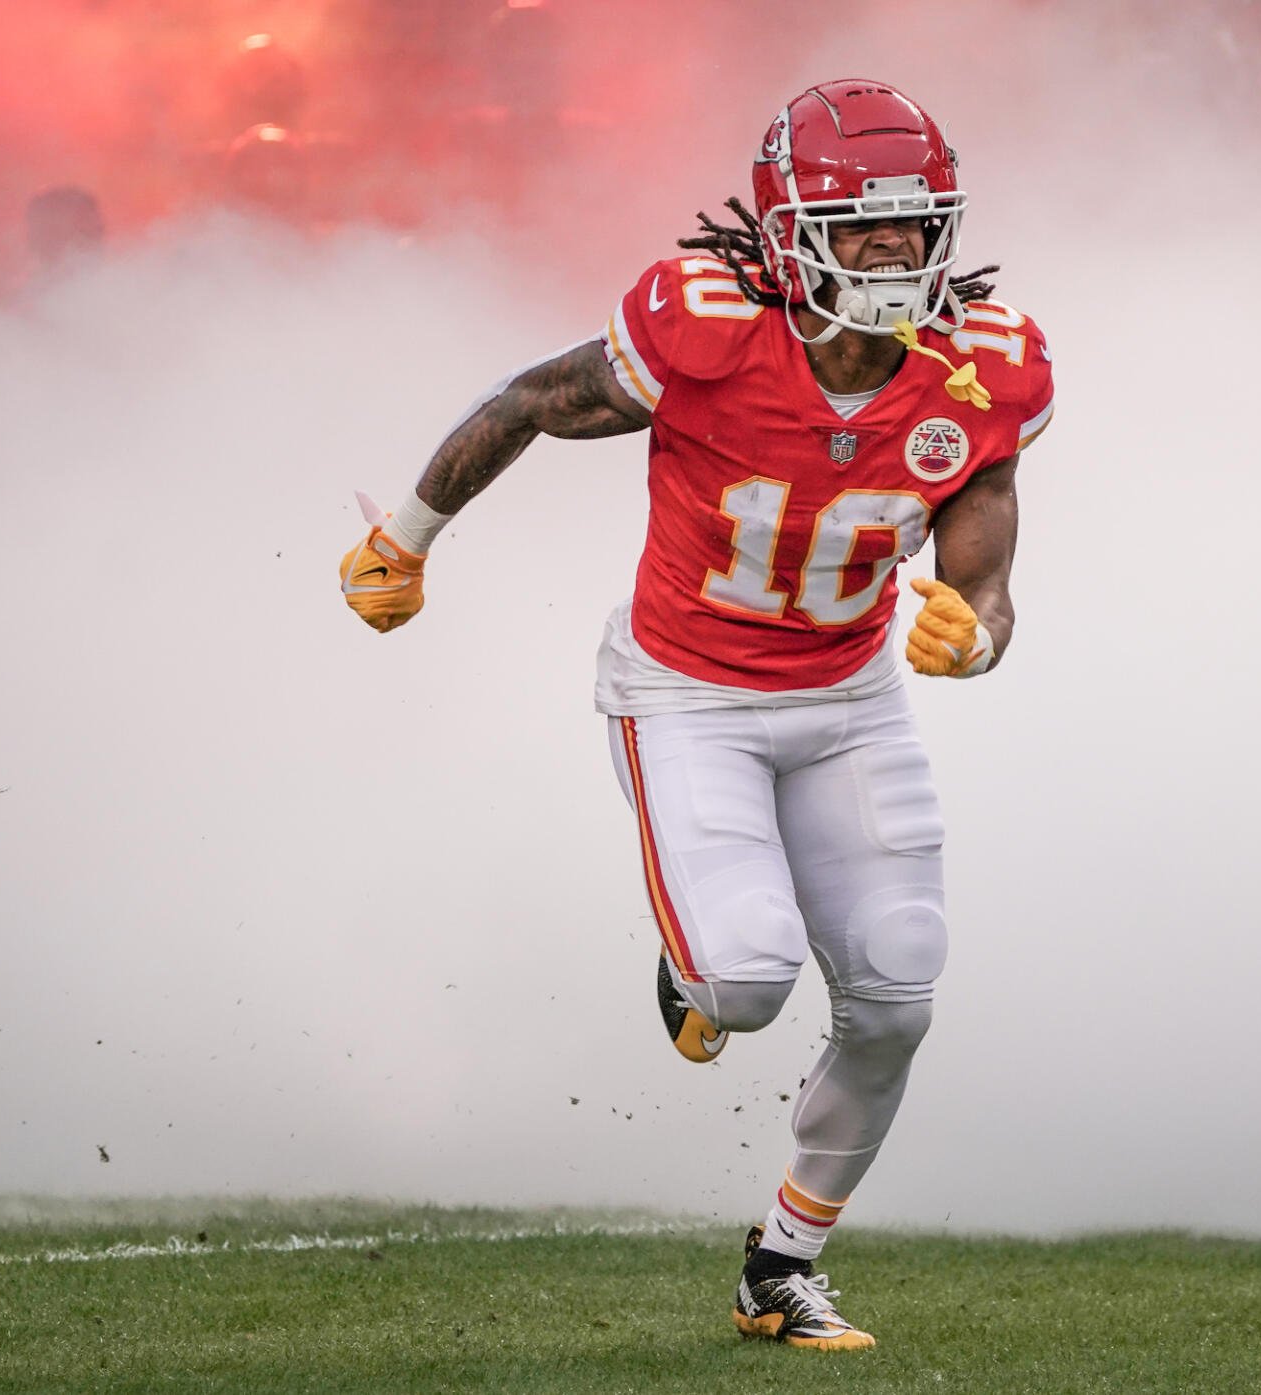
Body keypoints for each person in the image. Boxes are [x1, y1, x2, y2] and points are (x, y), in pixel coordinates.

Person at [338, 78, 1053, 1350]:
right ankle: (691, 972)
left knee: (897, 995)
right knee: (746, 975)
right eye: (862, 226)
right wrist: (406, 538)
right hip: (687, 691)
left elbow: (983, 575)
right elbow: (526, 403)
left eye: (914, 224)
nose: (895, 251)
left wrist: (977, 634)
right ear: (786, 234)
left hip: (849, 699)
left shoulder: (982, 366)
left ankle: (783, 1263)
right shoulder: (706, 328)